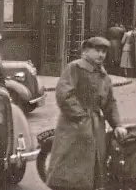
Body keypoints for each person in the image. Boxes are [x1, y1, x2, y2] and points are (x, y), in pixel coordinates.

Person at [46, 37, 127, 190]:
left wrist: (117, 125)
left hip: (95, 127)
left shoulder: (104, 75)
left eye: (104, 51)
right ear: (86, 51)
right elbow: (64, 94)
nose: (101, 55)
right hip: (74, 127)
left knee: (93, 169)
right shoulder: (75, 68)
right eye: (97, 50)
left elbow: (110, 102)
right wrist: (81, 116)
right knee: (70, 169)